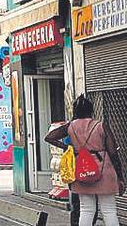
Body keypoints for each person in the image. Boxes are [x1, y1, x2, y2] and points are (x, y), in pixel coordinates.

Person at [45, 95, 125, 226]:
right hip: (104, 171)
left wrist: (67, 147)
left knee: (86, 209)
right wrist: (120, 177)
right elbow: (113, 153)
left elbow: (49, 137)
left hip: (81, 169)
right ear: (91, 110)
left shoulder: (70, 126)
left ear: (75, 111)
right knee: (109, 210)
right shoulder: (101, 126)